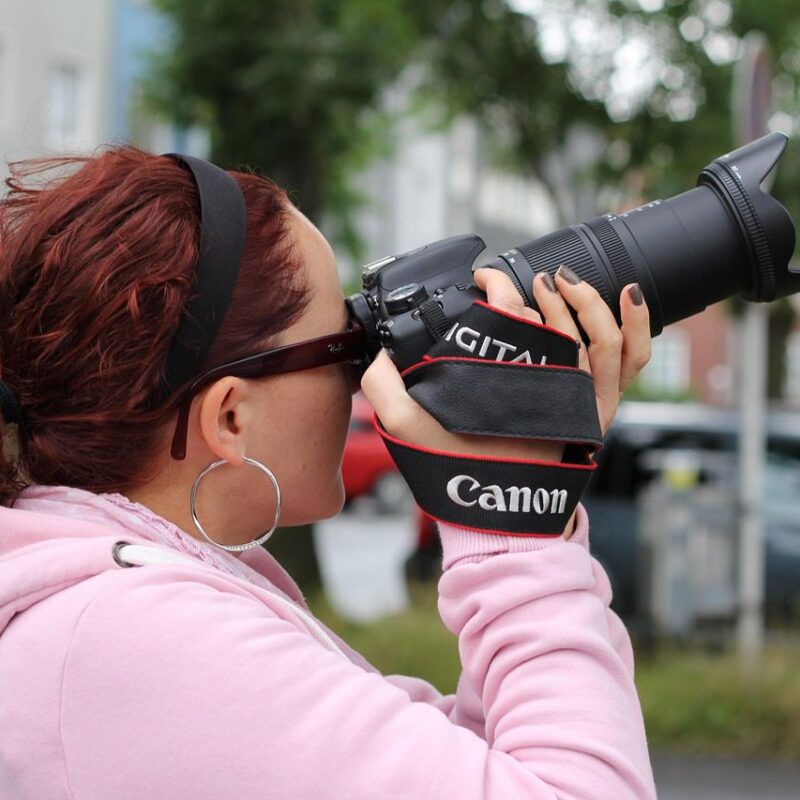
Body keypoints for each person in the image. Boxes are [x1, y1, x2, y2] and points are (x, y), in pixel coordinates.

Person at [0, 147, 656, 799]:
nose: (366, 381)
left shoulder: (120, 606)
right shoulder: (128, 633)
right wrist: (517, 528)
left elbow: (479, 759)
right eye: (349, 346)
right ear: (230, 417)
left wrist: (539, 495)